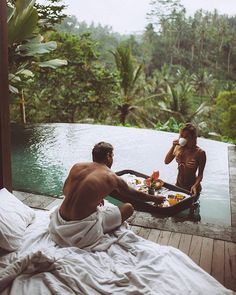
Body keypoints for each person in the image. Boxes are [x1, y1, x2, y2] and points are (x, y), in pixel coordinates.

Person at [49, 142, 165, 249]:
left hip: (58, 224)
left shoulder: (77, 166)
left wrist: (93, 197)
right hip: (80, 233)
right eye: (112, 155)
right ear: (109, 156)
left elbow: (65, 191)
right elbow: (135, 195)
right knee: (128, 208)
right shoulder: (111, 177)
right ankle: (98, 229)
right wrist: (156, 198)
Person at [164, 123, 206, 197]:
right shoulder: (179, 148)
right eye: (182, 136)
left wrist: (195, 185)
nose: (183, 138)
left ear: (193, 138)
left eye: (186, 137)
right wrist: (173, 146)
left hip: (192, 189)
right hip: (178, 186)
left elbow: (200, 175)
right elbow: (166, 161)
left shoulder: (200, 153)